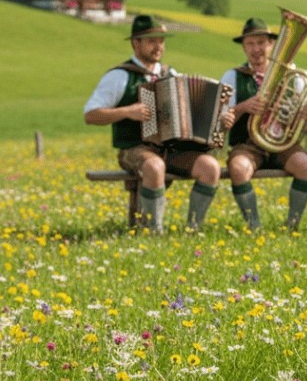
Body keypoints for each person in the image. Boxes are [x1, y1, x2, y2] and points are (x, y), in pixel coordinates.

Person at [83, 14, 222, 232]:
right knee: (155, 167)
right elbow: (90, 115)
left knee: (210, 167)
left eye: (161, 41)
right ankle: (153, 232)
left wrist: (222, 117)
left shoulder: (171, 74)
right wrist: (127, 111)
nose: (158, 46)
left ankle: (193, 230)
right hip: (134, 149)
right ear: (135, 43)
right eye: (151, 41)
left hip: (172, 149)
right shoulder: (120, 76)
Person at [219, 17, 307, 230]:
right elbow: (220, 120)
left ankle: (292, 226)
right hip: (248, 144)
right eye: (250, 44)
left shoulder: (294, 76)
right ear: (244, 48)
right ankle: (254, 226)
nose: (256, 49)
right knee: (238, 169)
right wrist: (242, 107)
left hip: (283, 143)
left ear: (272, 44)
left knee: (304, 165)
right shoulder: (232, 76)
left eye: (261, 43)